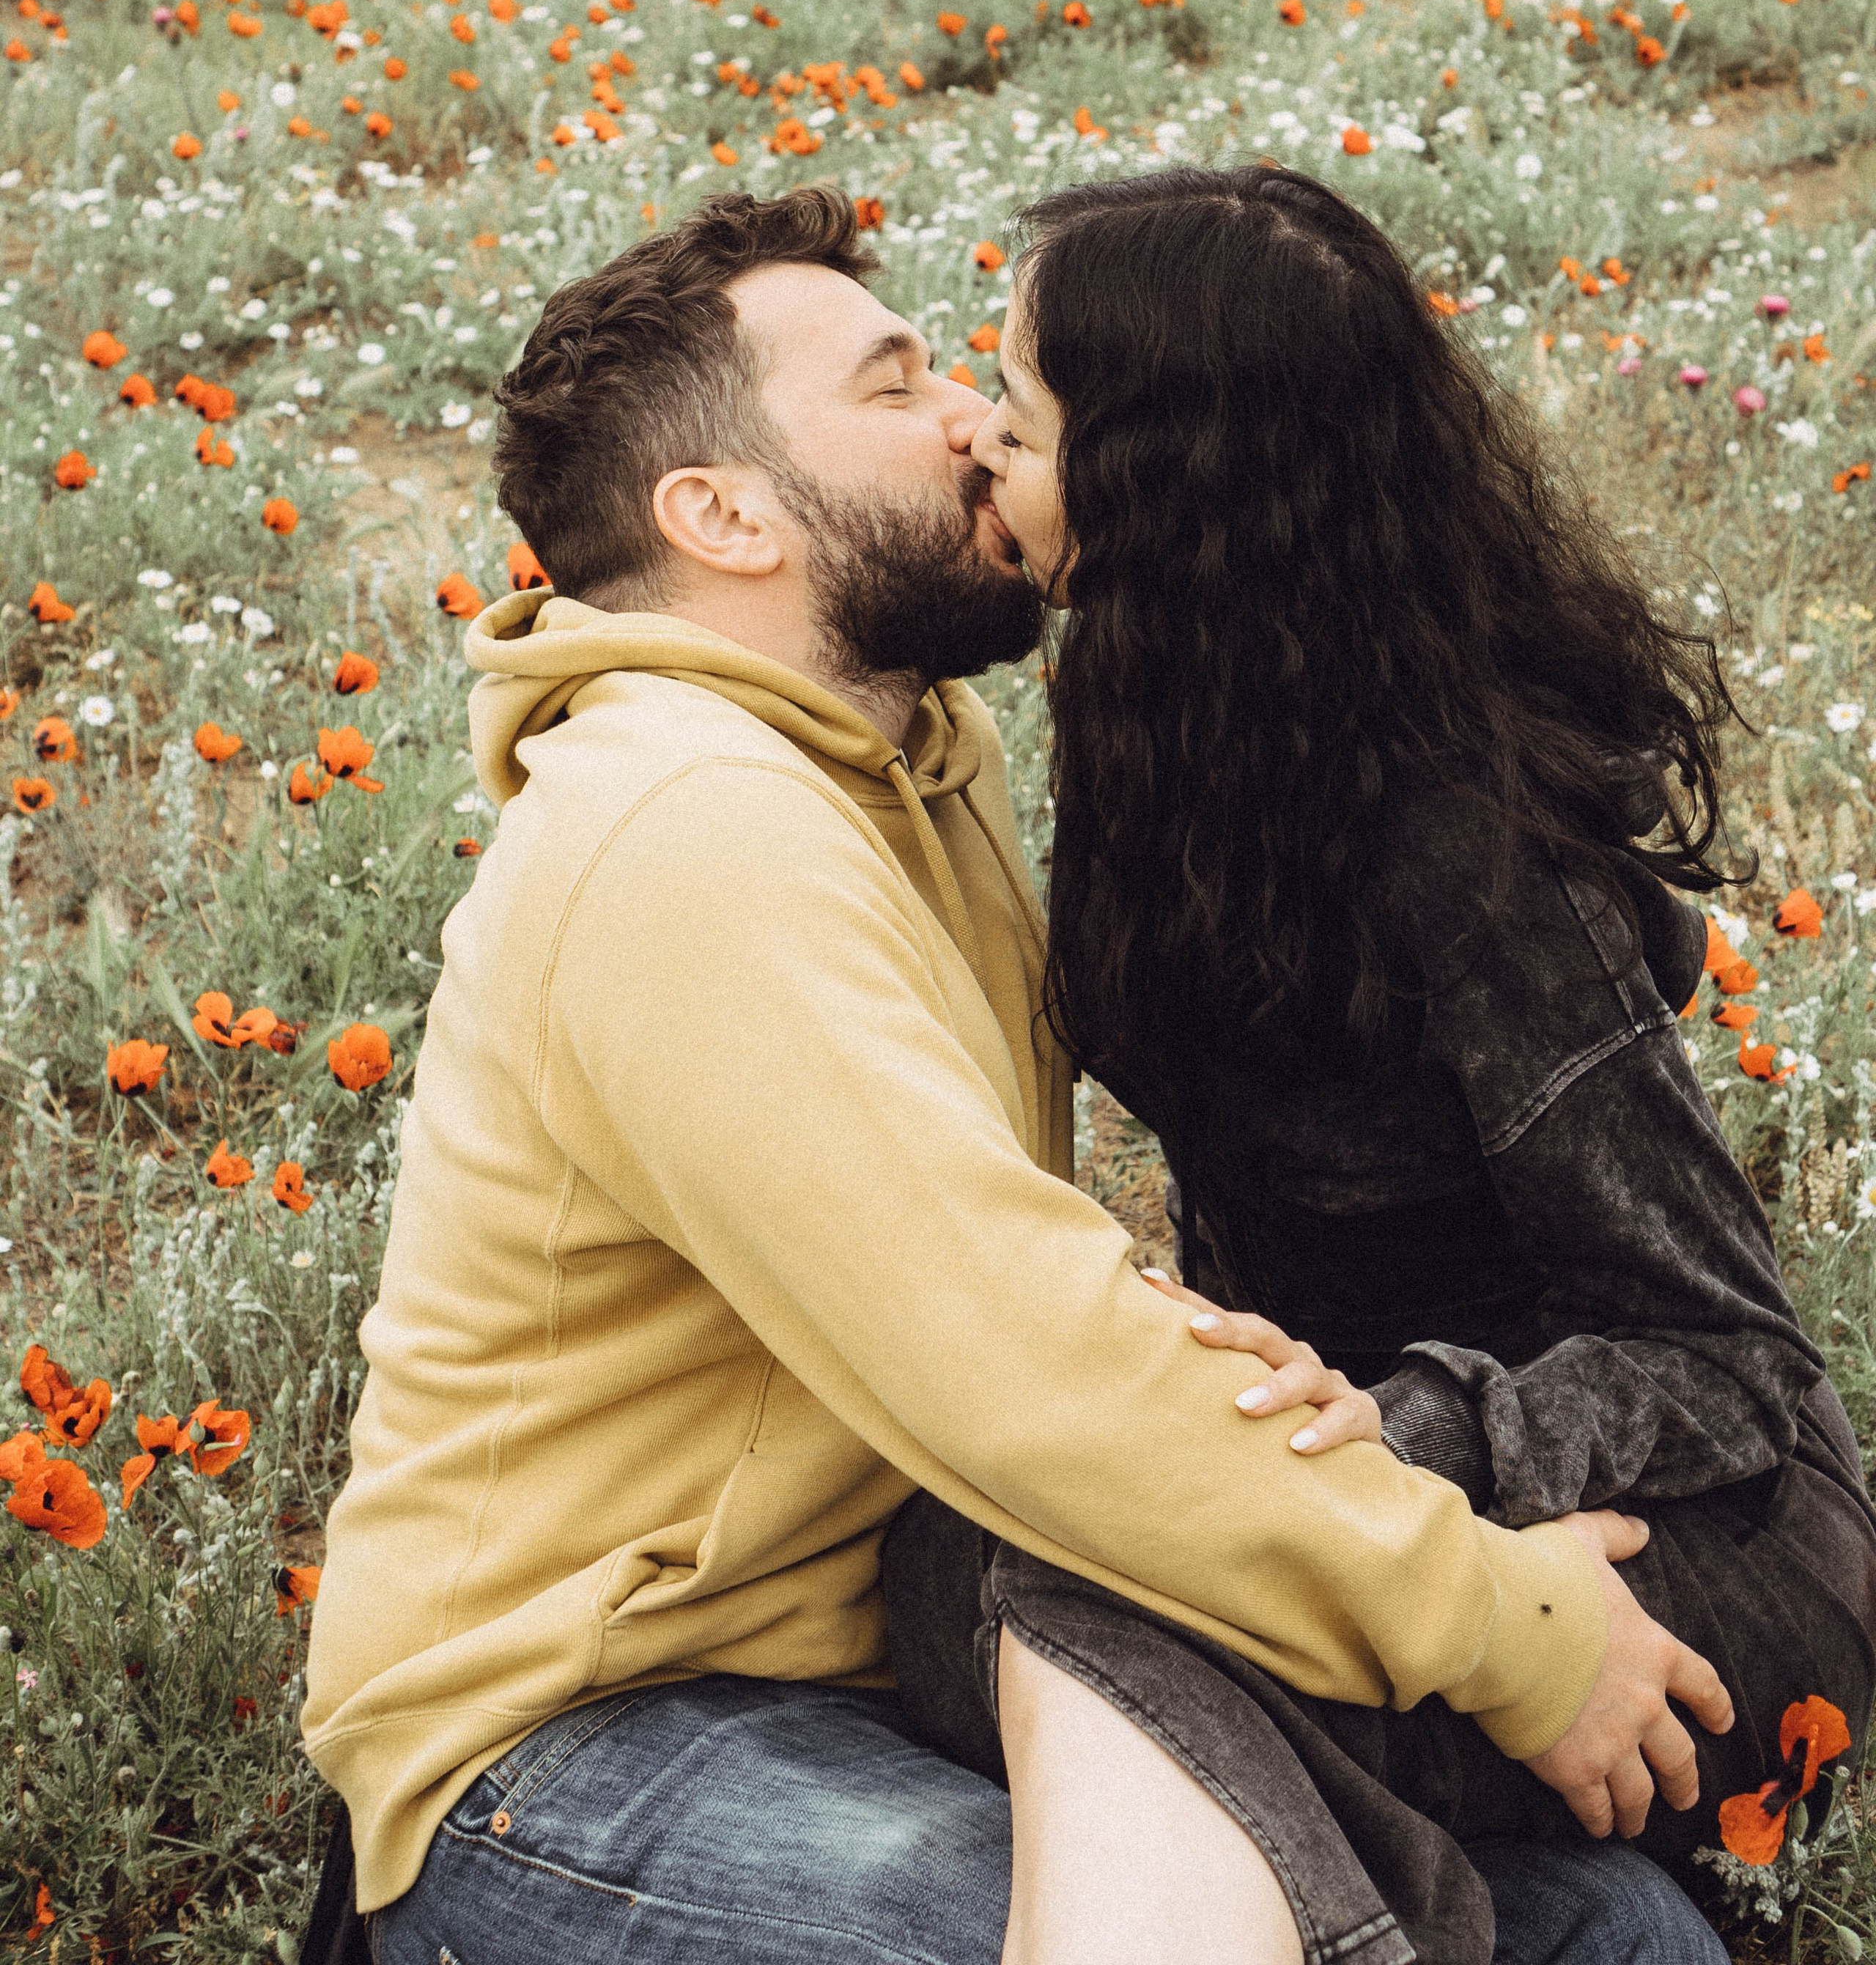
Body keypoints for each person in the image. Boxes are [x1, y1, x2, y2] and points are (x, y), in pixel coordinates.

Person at [301, 185, 1730, 1965]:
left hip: (897, 1655)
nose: (979, 420)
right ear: (723, 514)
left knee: (1607, 1929)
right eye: (899, 387)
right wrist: (1505, 1622)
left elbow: (1002, 1285)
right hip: (580, 1741)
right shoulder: (680, 829)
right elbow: (1016, 1355)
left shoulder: (912, 760)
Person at [906, 158, 1876, 1964]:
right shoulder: (1161, 715)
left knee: (1049, 1616)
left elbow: (1727, 1358)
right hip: (1349, 1512)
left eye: (1019, 416)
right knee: (953, 1574)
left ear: (1167, 490)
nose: (971, 434)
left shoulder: (1467, 840)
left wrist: (1408, 1435)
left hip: (1660, 1544)